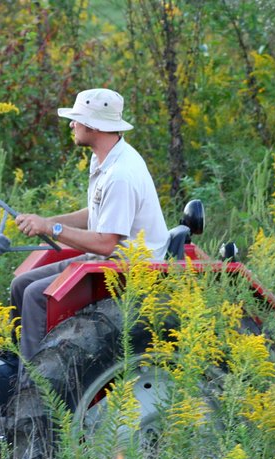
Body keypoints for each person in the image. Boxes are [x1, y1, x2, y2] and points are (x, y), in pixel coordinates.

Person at [11, 88, 169, 361]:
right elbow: (94, 213)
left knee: (37, 296)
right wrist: (48, 221)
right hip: (105, 257)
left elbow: (106, 243)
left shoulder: (121, 174)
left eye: (77, 119)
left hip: (125, 267)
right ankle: (14, 364)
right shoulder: (103, 159)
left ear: (94, 126)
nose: (72, 124)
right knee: (21, 284)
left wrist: (51, 229)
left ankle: (34, 387)